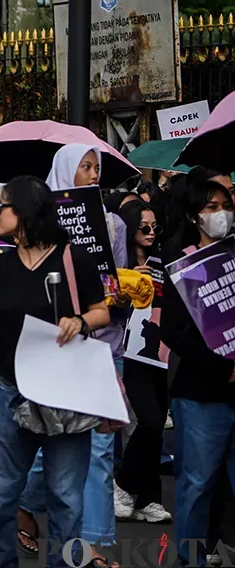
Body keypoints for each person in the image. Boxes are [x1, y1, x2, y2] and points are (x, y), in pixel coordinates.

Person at [0, 175, 110, 568]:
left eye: (2, 206)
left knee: (66, 498)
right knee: (2, 493)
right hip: (12, 390)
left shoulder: (73, 259)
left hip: (66, 393)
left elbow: (103, 309)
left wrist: (82, 322)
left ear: (22, 213)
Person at [19, 144, 128, 565]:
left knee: (99, 448)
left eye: (96, 167)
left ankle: (93, 542)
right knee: (56, 443)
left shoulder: (114, 224)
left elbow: (117, 288)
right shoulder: (41, 225)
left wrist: (122, 295)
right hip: (58, 346)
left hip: (102, 346)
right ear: (66, 170)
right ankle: (21, 499)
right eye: (84, 166)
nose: (92, 173)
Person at [161, 172, 235, 568]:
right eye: (211, 207)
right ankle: (191, 558)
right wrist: (224, 365)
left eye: (226, 206)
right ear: (194, 215)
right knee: (197, 483)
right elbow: (174, 332)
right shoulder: (182, 263)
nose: (221, 214)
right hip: (202, 393)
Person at [113, 199, 172, 524]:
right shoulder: (116, 261)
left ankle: (147, 497)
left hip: (158, 352)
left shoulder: (163, 260)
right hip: (126, 351)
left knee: (153, 428)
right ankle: (122, 485)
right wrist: (127, 279)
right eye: (144, 228)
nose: (150, 233)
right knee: (146, 421)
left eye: (155, 228)